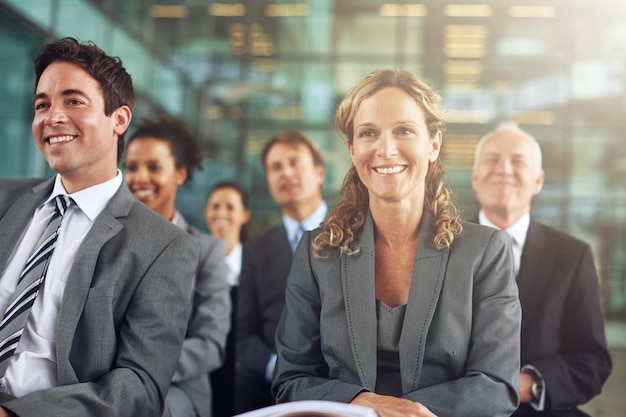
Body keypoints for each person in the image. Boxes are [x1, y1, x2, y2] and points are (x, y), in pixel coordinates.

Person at [271, 69, 522, 417]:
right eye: (368, 133)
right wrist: (368, 406)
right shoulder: (318, 253)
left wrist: (410, 413)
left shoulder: (485, 251)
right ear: (352, 148)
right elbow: (291, 379)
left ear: (433, 144)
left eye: (404, 130)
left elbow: (496, 386)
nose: (386, 149)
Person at [0, 37, 198, 417]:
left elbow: (139, 386)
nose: (52, 117)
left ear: (119, 119)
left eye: (73, 101)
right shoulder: (4, 201)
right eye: (42, 104)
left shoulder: (164, 247)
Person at [471, 121, 612, 416]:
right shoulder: (438, 249)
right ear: (475, 176)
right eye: (492, 159)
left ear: (538, 180)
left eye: (518, 162)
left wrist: (527, 384)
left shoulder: (572, 256)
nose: (504, 169)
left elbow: (591, 360)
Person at [124, 116, 231, 417]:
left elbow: (210, 343)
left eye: (154, 167)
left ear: (180, 173)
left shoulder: (207, 251)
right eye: (131, 167)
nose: (140, 178)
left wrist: (139, 371)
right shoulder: (110, 241)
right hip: (105, 382)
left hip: (176, 389)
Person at [236, 130, 328, 413]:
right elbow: (242, 333)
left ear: (319, 172)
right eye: (276, 167)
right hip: (271, 388)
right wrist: (272, 365)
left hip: (341, 382)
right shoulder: (254, 251)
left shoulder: (356, 235)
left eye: (294, 163)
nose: (286, 173)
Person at [204, 181, 251, 417]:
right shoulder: (193, 262)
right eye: (215, 206)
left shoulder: (258, 266)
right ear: (206, 213)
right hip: (205, 375)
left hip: (246, 377)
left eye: (230, 207)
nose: (221, 213)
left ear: (244, 215)